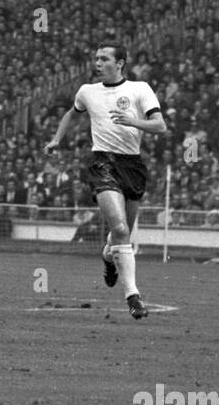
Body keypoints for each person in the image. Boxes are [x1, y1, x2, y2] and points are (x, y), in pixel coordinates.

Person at [45, 44, 166, 319]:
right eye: (96, 58)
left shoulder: (140, 89)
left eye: (104, 59)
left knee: (120, 236)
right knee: (122, 230)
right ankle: (133, 297)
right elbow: (71, 113)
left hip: (132, 165)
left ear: (120, 63)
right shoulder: (87, 91)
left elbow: (160, 126)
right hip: (103, 163)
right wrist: (56, 139)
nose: (97, 63)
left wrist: (133, 121)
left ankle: (108, 256)